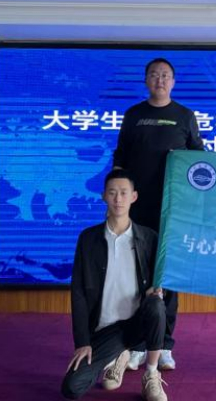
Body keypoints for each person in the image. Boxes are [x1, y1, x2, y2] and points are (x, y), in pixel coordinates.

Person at [113, 57, 204, 372]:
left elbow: (199, 160)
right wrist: (119, 199)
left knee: (168, 274)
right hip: (136, 208)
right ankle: (138, 344)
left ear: (173, 82)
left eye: (165, 75)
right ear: (146, 80)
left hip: (172, 208)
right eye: (154, 75)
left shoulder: (184, 116)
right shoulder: (134, 115)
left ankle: (164, 345)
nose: (160, 80)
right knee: (137, 274)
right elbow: (120, 158)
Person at [61, 169, 168, 401]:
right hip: (106, 330)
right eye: (112, 193)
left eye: (123, 193)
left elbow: (161, 282)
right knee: (72, 387)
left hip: (138, 323)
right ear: (103, 196)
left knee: (156, 305)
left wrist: (157, 290)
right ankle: (119, 354)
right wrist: (82, 342)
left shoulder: (149, 238)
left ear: (134, 197)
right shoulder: (88, 239)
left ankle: (151, 373)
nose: (118, 199)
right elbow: (78, 293)